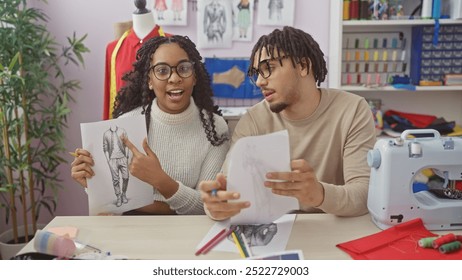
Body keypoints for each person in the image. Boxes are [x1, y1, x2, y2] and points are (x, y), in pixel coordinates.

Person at [200, 26, 376, 220]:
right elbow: (226, 190)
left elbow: (364, 194)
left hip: (333, 227)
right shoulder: (253, 120)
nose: (259, 82)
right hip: (273, 230)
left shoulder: (353, 110)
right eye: (257, 73)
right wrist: (216, 206)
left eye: (269, 69)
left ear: (303, 66)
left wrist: (319, 194)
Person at [72, 35, 230, 215]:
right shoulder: (125, 124)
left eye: (184, 68)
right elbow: (112, 202)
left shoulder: (215, 129)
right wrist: (93, 183)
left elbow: (207, 206)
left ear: (194, 76)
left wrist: (160, 180)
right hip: (132, 232)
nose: (174, 78)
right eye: (162, 71)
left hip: (188, 235)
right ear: (149, 80)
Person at [103, 0, 168, 120]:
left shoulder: (172, 44)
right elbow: (110, 98)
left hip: (164, 126)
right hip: (126, 129)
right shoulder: (113, 49)